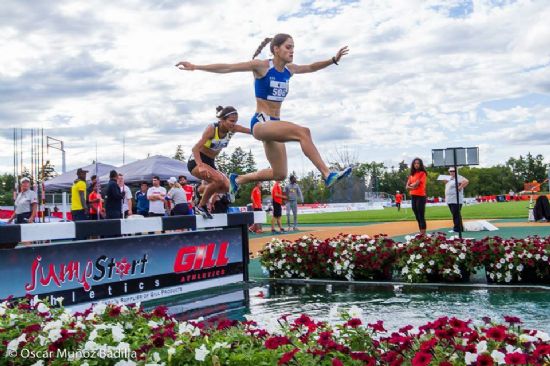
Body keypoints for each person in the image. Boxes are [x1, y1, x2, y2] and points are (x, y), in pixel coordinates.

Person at [176, 33, 352, 198]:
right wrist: (196, 67)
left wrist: (333, 60)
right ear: (276, 49)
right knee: (303, 132)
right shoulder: (262, 67)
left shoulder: (289, 70)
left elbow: (312, 67)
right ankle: (327, 174)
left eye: (293, 48)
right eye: (288, 47)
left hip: (274, 125)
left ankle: (238, 179)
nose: (292, 51)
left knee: (280, 174)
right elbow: (228, 67)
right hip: (261, 123)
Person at [187, 105, 250, 218]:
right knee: (218, 180)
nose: (233, 124)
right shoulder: (212, 129)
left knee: (226, 188)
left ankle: (199, 189)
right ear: (222, 120)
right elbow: (195, 148)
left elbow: (252, 131)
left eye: (235, 122)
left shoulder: (233, 129)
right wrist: (200, 165)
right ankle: (201, 206)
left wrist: (267, 132)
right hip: (197, 160)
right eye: (231, 121)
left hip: (210, 162)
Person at [406, 158, 427, 235]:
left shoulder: (422, 173)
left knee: (421, 215)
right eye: (415, 163)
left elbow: (416, 184)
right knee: (417, 215)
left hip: (420, 196)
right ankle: (421, 231)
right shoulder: (411, 175)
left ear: (420, 164)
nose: (416, 165)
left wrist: (412, 185)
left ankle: (423, 233)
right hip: (413, 196)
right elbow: (407, 186)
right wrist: (413, 186)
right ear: (413, 165)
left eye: (418, 163)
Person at [444, 167, 469, 233]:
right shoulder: (449, 178)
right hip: (450, 199)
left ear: (456, 171)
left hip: (456, 199)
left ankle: (457, 228)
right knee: (455, 214)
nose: (452, 172)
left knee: (456, 214)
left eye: (453, 171)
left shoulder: (459, 177)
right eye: (450, 171)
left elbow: (466, 181)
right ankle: (459, 228)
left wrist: (460, 187)